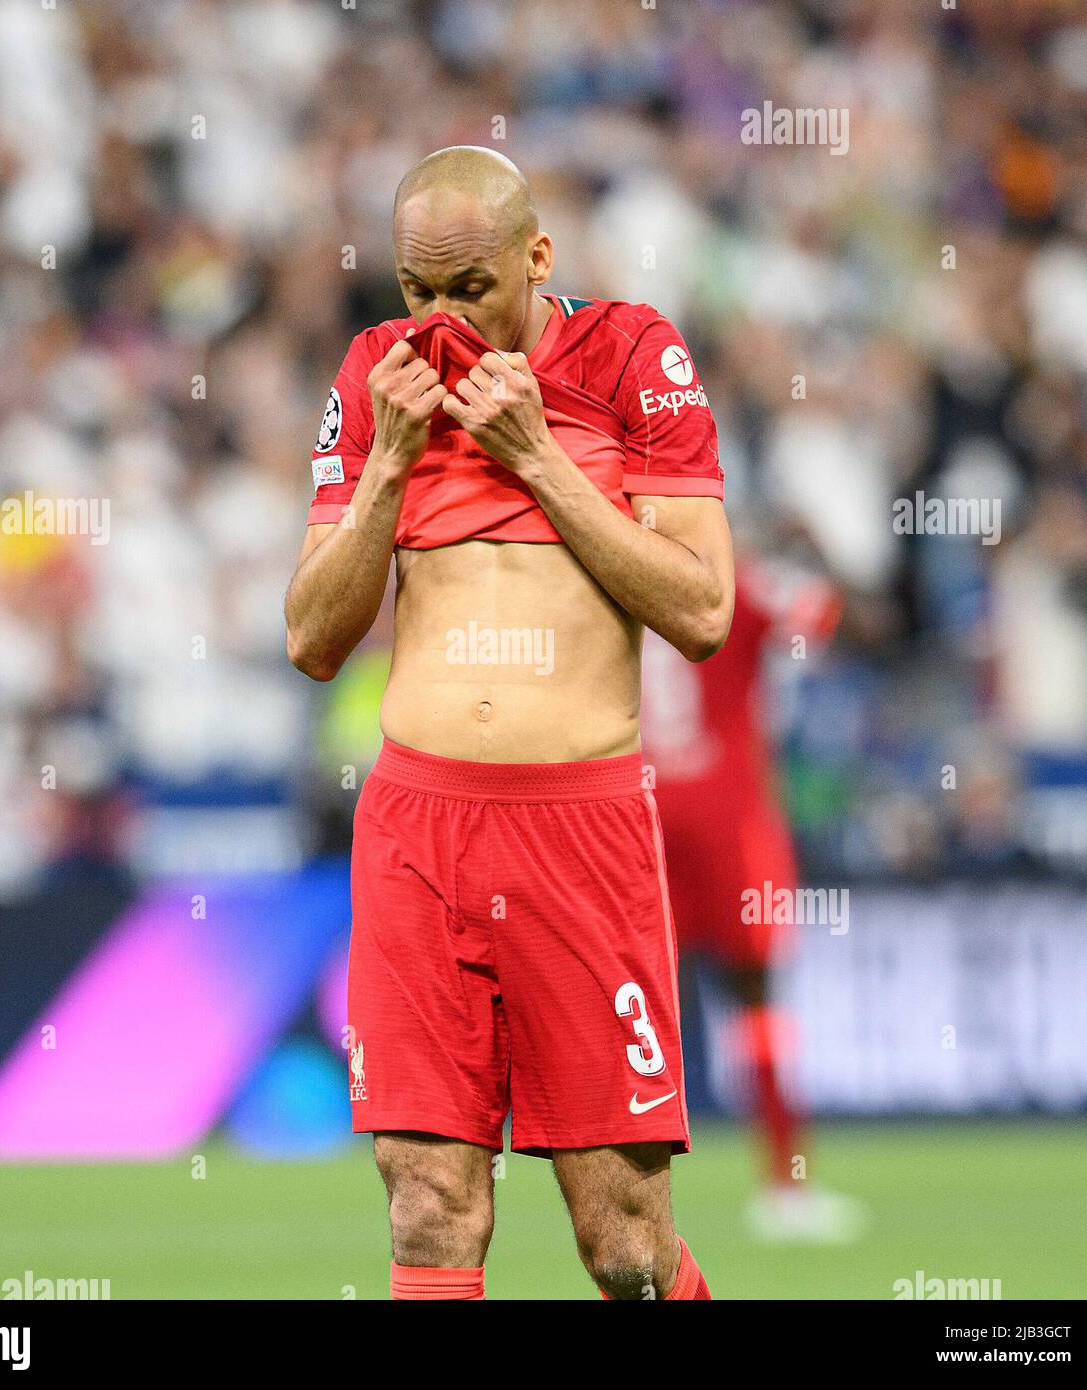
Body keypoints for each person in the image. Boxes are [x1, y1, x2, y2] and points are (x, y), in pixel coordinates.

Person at [285, 146, 733, 1300]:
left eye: (468, 290)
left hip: (578, 833)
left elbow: (702, 609)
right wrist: (389, 460)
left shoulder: (635, 353)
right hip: (417, 829)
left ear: (538, 257)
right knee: (429, 1201)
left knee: (623, 1241)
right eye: (414, 292)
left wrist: (536, 457)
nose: (438, 323)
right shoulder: (375, 376)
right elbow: (312, 640)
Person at [643, 555, 864, 1241]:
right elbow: (824, 618)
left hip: (637, 812)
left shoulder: (609, 569)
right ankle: (786, 1186)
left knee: (636, 1012)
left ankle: (629, 1200)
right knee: (758, 1003)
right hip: (729, 817)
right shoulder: (732, 577)